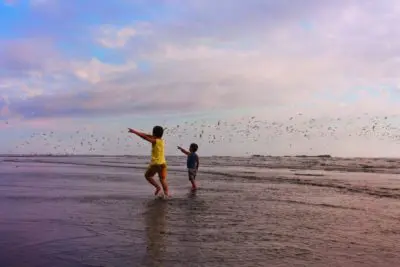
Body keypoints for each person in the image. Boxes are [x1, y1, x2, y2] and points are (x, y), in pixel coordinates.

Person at [128, 126, 169, 197]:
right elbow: (146, 135)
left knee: (147, 176)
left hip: (156, 164)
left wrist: (134, 132)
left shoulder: (155, 141)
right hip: (163, 163)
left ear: (154, 133)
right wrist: (137, 131)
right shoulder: (161, 141)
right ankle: (167, 194)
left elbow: (145, 137)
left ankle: (157, 187)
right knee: (162, 179)